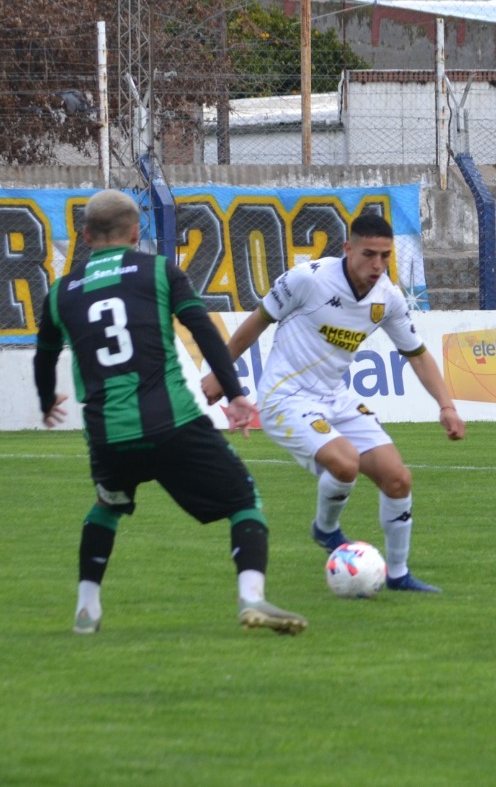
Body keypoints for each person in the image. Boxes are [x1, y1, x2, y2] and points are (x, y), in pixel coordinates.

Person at [34, 189, 307, 635]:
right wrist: (236, 395)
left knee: (107, 504)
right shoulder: (160, 272)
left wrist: (47, 402)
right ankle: (251, 598)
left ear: (84, 235)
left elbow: (43, 359)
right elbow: (204, 331)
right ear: (136, 231)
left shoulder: (61, 292)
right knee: (243, 500)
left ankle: (87, 608)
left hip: (108, 435)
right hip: (173, 423)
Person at [203, 213, 465, 592]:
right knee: (345, 463)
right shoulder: (308, 279)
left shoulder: (387, 298)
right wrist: (219, 371)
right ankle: (326, 530)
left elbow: (417, 354)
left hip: (335, 398)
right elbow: (257, 322)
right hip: (286, 399)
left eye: (385, 256)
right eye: (369, 254)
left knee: (398, 478)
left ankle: (398, 575)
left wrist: (447, 405)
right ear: (347, 249)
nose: (377, 265)